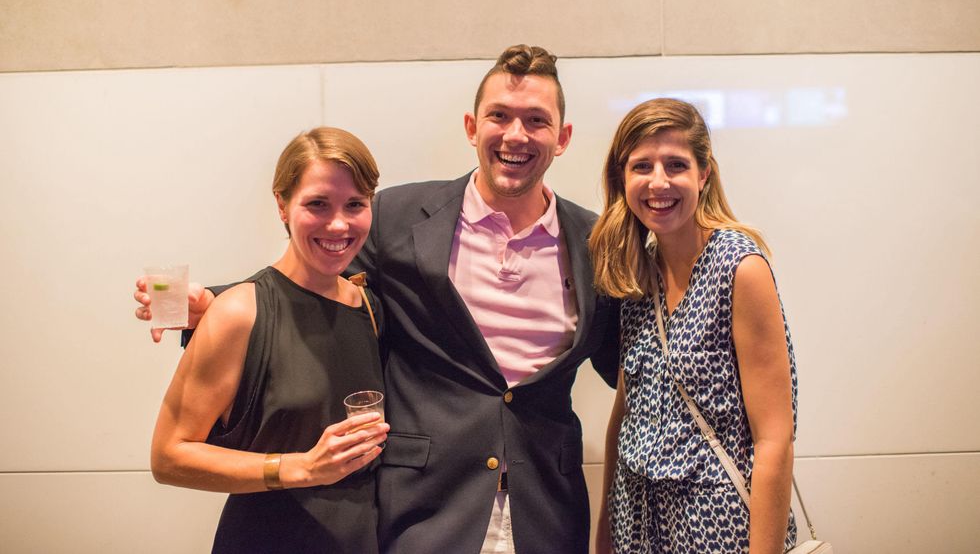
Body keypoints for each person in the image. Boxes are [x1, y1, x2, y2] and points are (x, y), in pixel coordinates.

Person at [137, 45, 619, 554]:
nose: (515, 134)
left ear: (562, 137)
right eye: (498, 115)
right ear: (471, 127)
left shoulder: (597, 242)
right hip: (424, 512)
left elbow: (632, 360)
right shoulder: (399, 215)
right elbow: (313, 273)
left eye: (536, 120)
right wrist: (209, 301)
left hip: (547, 508)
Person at [149, 127, 390, 554]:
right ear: (282, 205)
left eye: (355, 204)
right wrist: (300, 468)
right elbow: (169, 457)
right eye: (317, 204)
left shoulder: (369, 307)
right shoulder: (239, 311)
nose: (338, 223)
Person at [589, 98, 798, 554]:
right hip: (637, 524)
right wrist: (604, 534)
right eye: (642, 165)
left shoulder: (738, 267)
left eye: (676, 165)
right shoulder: (635, 274)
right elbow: (624, 415)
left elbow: (774, 438)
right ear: (622, 178)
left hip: (716, 529)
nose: (658, 182)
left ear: (703, 175)